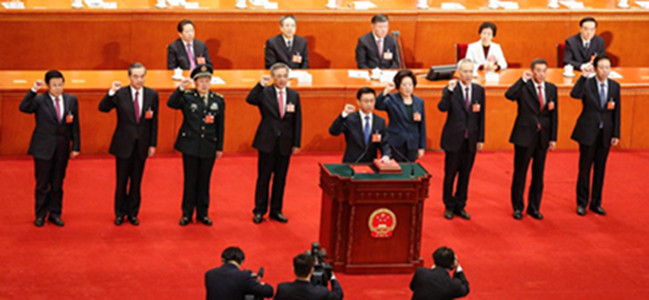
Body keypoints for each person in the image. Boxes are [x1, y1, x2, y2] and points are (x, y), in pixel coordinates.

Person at [99, 63, 159, 226]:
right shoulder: (120, 94)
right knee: (121, 181)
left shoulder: (152, 95)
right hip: (123, 144)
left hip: (142, 145)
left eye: (142, 76)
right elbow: (103, 108)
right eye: (135, 77)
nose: (139, 80)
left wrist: (152, 144)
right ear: (129, 77)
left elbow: (154, 122)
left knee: (137, 181)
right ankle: (119, 213)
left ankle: (133, 213)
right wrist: (111, 92)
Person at [19, 70, 80, 227]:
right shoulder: (39, 100)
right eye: (54, 85)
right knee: (42, 184)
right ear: (48, 86)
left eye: (60, 84)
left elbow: (75, 125)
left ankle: (55, 213)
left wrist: (76, 146)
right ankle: (40, 214)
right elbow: (23, 107)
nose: (58, 88)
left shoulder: (71, 100)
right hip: (43, 148)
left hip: (62, 148)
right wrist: (33, 90)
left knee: (58, 183)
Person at [167, 64, 225, 226]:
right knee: (190, 180)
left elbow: (221, 125)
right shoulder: (188, 97)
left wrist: (219, 146)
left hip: (208, 145)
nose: (204, 84)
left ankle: (203, 213)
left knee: (204, 181)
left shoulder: (217, 100)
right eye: (201, 81)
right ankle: (187, 213)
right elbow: (171, 103)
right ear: (195, 82)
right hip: (191, 145)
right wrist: (180, 89)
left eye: (207, 81)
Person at [247, 63, 302, 224]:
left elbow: (297, 121)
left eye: (284, 76)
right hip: (267, 142)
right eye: (278, 76)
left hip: (285, 143)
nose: (282, 79)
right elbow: (250, 99)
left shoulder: (294, 95)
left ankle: (276, 210)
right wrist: (260, 84)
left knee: (280, 179)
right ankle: (259, 210)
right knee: (264, 178)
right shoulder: (265, 93)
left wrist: (296, 143)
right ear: (273, 77)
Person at [504, 58, 558, 220]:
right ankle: (518, 206)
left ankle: (534, 207)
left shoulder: (551, 89)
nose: (541, 74)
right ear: (532, 71)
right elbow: (509, 95)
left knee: (538, 174)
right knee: (520, 173)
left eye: (544, 71)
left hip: (542, 137)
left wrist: (553, 137)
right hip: (524, 136)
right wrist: (521, 80)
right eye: (538, 71)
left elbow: (554, 114)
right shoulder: (524, 87)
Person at [570, 54, 620, 216]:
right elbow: (574, 94)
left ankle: (596, 202)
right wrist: (583, 76)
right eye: (602, 67)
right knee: (584, 169)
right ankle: (581, 202)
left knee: (600, 169)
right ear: (595, 69)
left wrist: (616, 133)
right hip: (588, 132)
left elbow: (617, 112)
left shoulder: (614, 86)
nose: (605, 71)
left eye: (608, 67)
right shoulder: (588, 84)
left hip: (605, 133)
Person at [438, 59, 485, 220]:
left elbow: (481, 117)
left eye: (470, 71)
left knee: (465, 175)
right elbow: (442, 107)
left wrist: (480, 138)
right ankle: (448, 205)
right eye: (464, 71)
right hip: (453, 139)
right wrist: (449, 92)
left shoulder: (479, 90)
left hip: (470, 140)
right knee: (450, 174)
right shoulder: (451, 89)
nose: (468, 75)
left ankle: (460, 205)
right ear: (458, 73)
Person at [328, 87, 391, 163]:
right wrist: (343, 114)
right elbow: (333, 131)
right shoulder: (350, 119)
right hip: (352, 162)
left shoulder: (380, 121)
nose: (369, 104)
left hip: (370, 164)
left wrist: (386, 155)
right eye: (366, 101)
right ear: (358, 102)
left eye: (372, 101)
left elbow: (384, 143)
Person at [376, 69, 426, 162]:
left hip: (412, 143)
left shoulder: (419, 102)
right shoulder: (392, 99)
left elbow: (422, 125)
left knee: (410, 171)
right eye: (404, 85)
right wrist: (386, 90)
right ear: (398, 86)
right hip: (396, 142)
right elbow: (377, 105)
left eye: (410, 85)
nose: (408, 87)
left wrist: (421, 146)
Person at [205, 246, 274, 300]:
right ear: (242, 261)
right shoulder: (243, 276)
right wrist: (260, 283)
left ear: (223, 260)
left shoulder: (209, 274)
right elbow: (268, 292)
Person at [274, 253, 343, 300]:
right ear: (311, 270)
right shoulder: (322, 292)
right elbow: (338, 295)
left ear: (294, 269)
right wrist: (332, 277)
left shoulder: (282, 289)